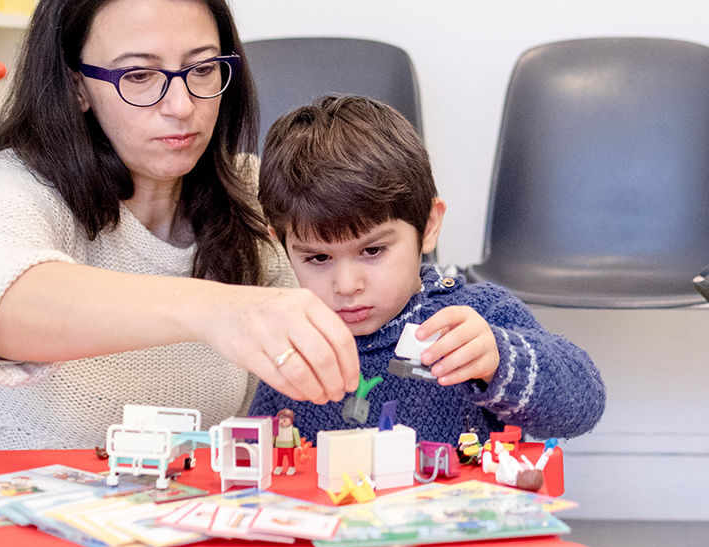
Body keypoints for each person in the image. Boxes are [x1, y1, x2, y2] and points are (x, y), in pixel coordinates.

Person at [0, 0, 359, 451]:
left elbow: (372, 298)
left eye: (203, 69)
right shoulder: (17, 184)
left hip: (159, 522)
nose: (181, 105)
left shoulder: (251, 196)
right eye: (139, 76)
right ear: (78, 86)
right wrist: (217, 310)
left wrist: (465, 337)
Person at [249, 95, 606, 444]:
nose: (346, 285)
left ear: (429, 226)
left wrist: (498, 359)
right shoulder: (292, 341)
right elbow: (254, 451)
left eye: (372, 250)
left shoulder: (475, 317)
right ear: (281, 244)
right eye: (318, 258)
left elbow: (584, 405)